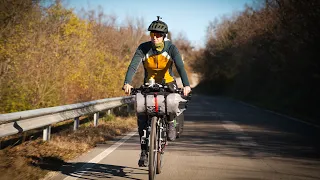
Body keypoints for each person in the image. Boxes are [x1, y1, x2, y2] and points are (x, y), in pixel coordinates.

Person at [122, 16, 191, 167]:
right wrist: (127, 82)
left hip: (168, 83)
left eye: (158, 35)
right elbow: (133, 66)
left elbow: (180, 67)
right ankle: (144, 151)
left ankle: (171, 121)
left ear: (164, 36)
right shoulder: (143, 48)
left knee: (171, 103)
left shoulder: (171, 48)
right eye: (153, 34)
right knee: (142, 114)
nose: (155, 37)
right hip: (149, 84)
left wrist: (186, 85)